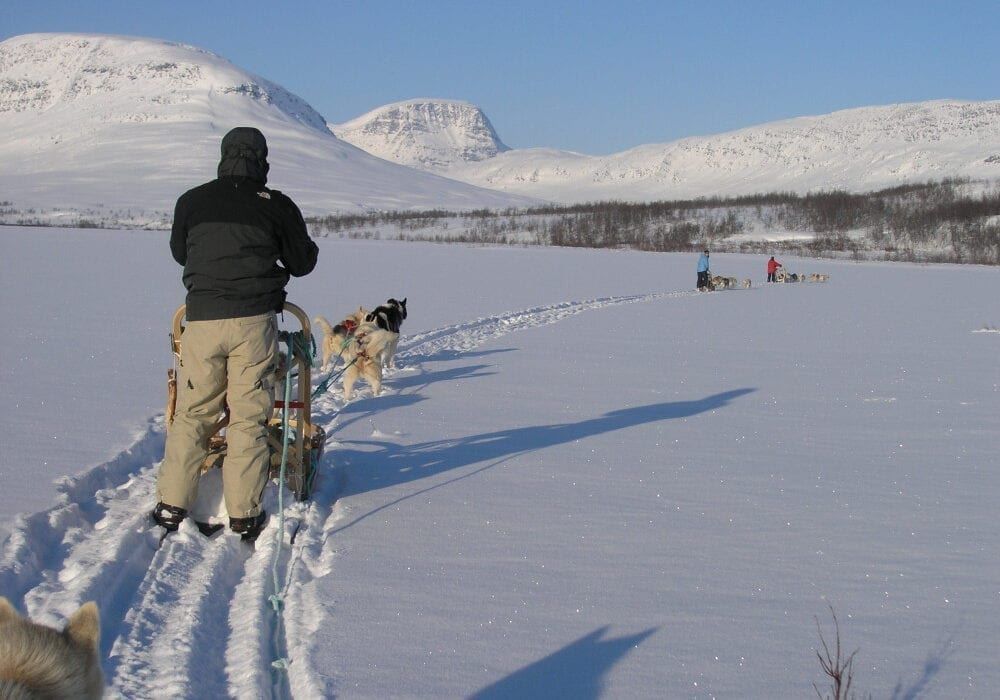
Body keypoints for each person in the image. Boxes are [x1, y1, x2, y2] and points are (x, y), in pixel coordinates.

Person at [153, 126, 319, 541]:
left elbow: (180, 253)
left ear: (223, 155)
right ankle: (244, 513)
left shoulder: (192, 201)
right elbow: (302, 262)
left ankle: (172, 504)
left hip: (202, 322)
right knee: (249, 415)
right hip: (252, 324)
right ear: (262, 160)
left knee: (193, 413)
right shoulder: (275, 205)